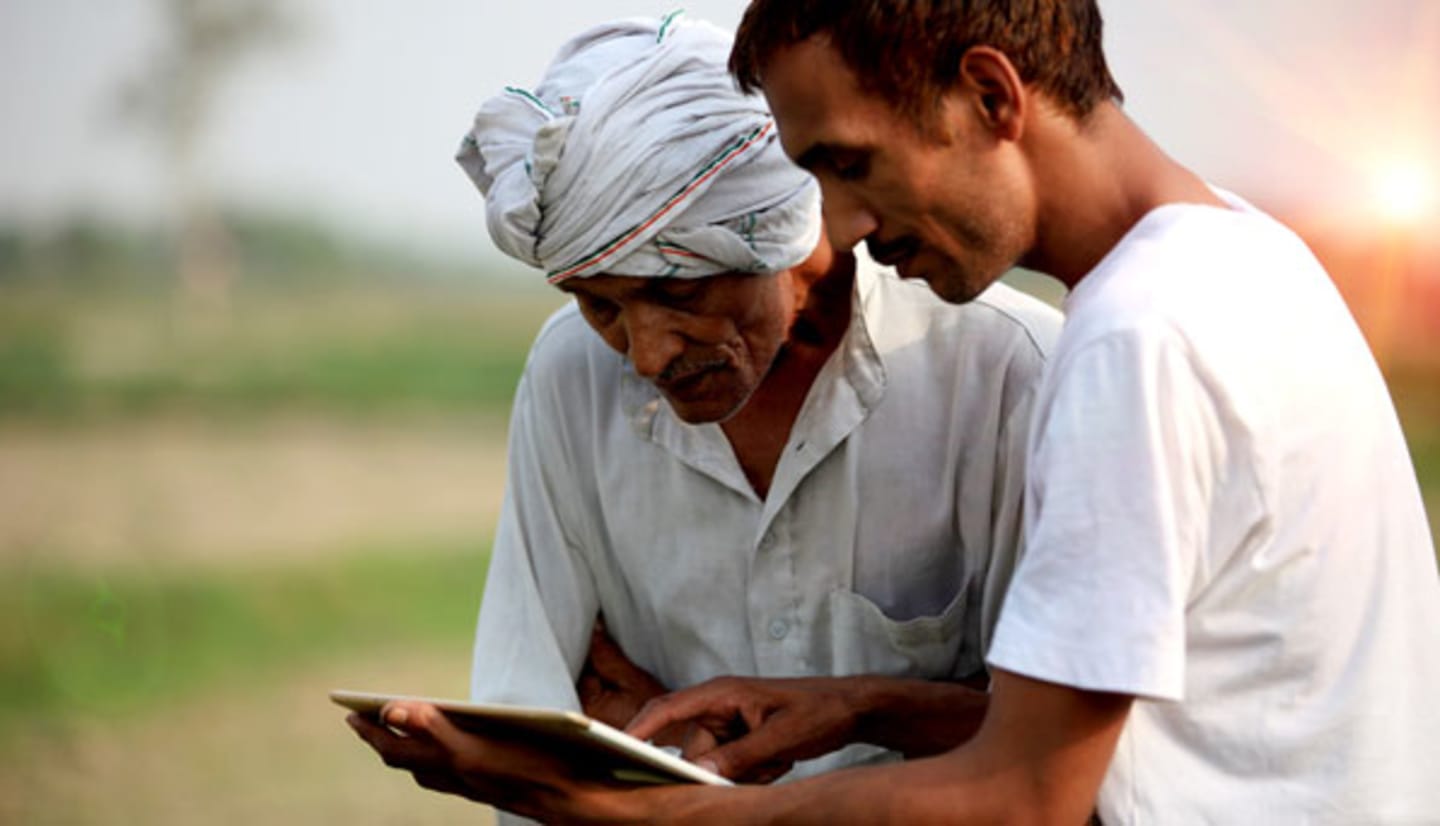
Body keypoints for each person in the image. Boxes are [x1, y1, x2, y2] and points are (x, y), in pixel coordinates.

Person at [348, 1, 1440, 822]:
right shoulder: (1245, 254)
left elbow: (1024, 796)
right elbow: (1143, 727)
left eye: (846, 164)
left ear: (991, 93)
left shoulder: (1130, 345)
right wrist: (861, 706)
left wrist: (667, 811)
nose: (840, 224)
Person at [370, 8, 1059, 797]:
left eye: (680, 290)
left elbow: (1059, 748)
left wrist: (863, 710)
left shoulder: (1007, 373)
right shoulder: (570, 372)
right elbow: (532, 693)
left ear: (779, 224)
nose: (647, 351)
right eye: (601, 305)